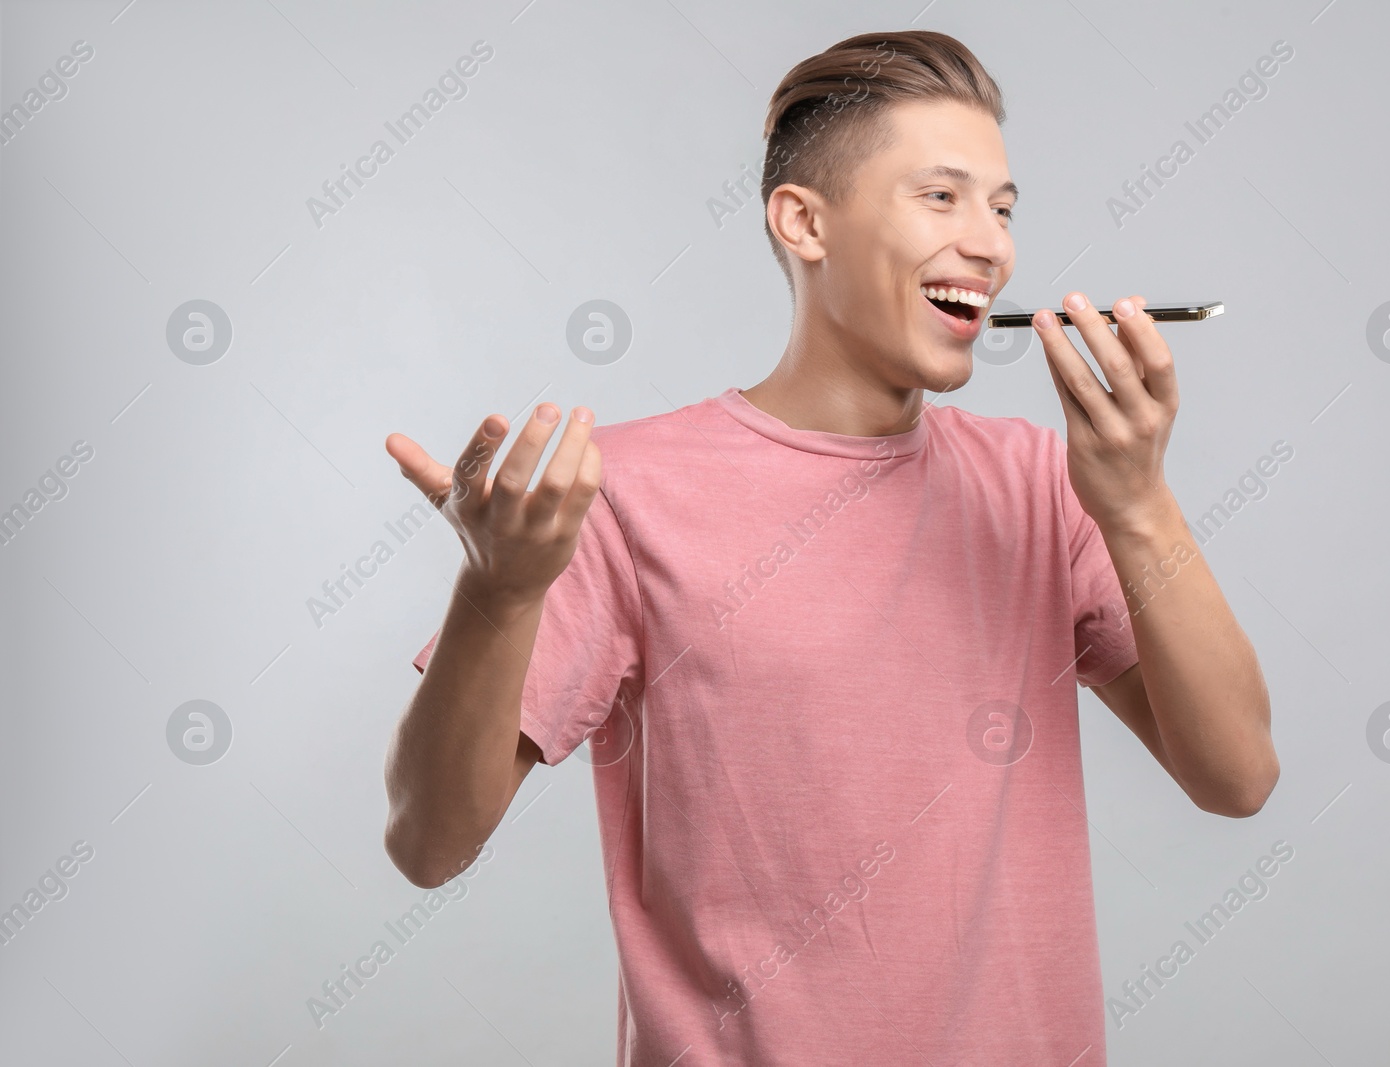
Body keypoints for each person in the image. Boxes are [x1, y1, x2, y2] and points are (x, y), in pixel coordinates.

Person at [382, 28, 1277, 1065]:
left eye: (1002, 207)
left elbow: (1237, 774)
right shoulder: (619, 495)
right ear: (804, 222)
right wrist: (496, 597)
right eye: (940, 197)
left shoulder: (1045, 485)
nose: (990, 243)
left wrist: (1137, 504)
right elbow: (428, 842)